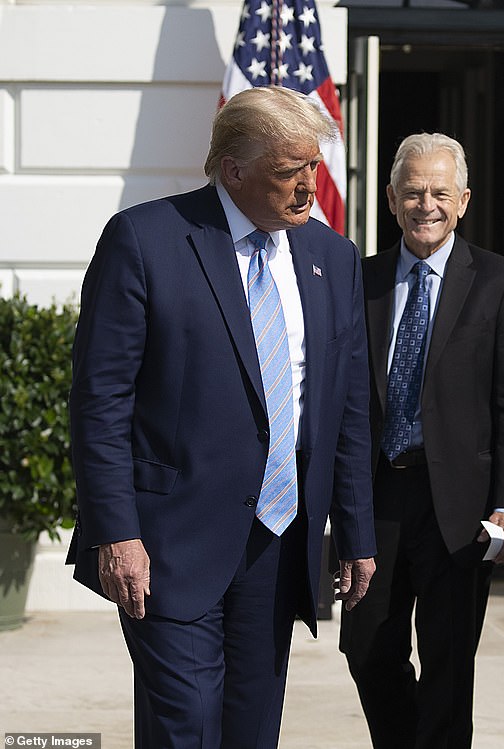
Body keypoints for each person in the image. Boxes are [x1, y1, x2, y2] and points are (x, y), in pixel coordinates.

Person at [66, 85, 376, 749]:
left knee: (249, 730)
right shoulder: (145, 240)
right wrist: (115, 532)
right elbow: (101, 403)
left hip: (280, 543)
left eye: (314, 167)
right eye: (290, 170)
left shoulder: (333, 257)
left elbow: (345, 406)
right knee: (188, 726)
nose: (307, 187)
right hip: (167, 544)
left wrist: (355, 529)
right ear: (234, 170)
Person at [339, 132, 504, 749]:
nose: (426, 204)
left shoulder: (501, 283)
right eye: (413, 192)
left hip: (460, 507)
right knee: (368, 648)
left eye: (439, 193)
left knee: (449, 665)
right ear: (393, 199)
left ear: (464, 201)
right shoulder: (359, 280)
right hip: (375, 499)